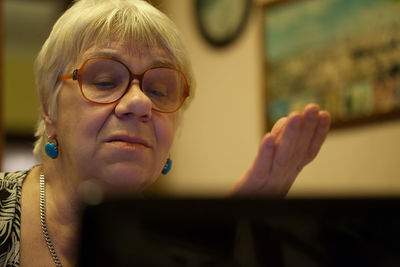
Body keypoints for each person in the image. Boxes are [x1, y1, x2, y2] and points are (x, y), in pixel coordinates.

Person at [0, 0, 331, 266]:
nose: (140, 103)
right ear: (49, 107)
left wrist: (226, 247)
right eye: (104, 81)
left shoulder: (178, 249)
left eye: (159, 90)